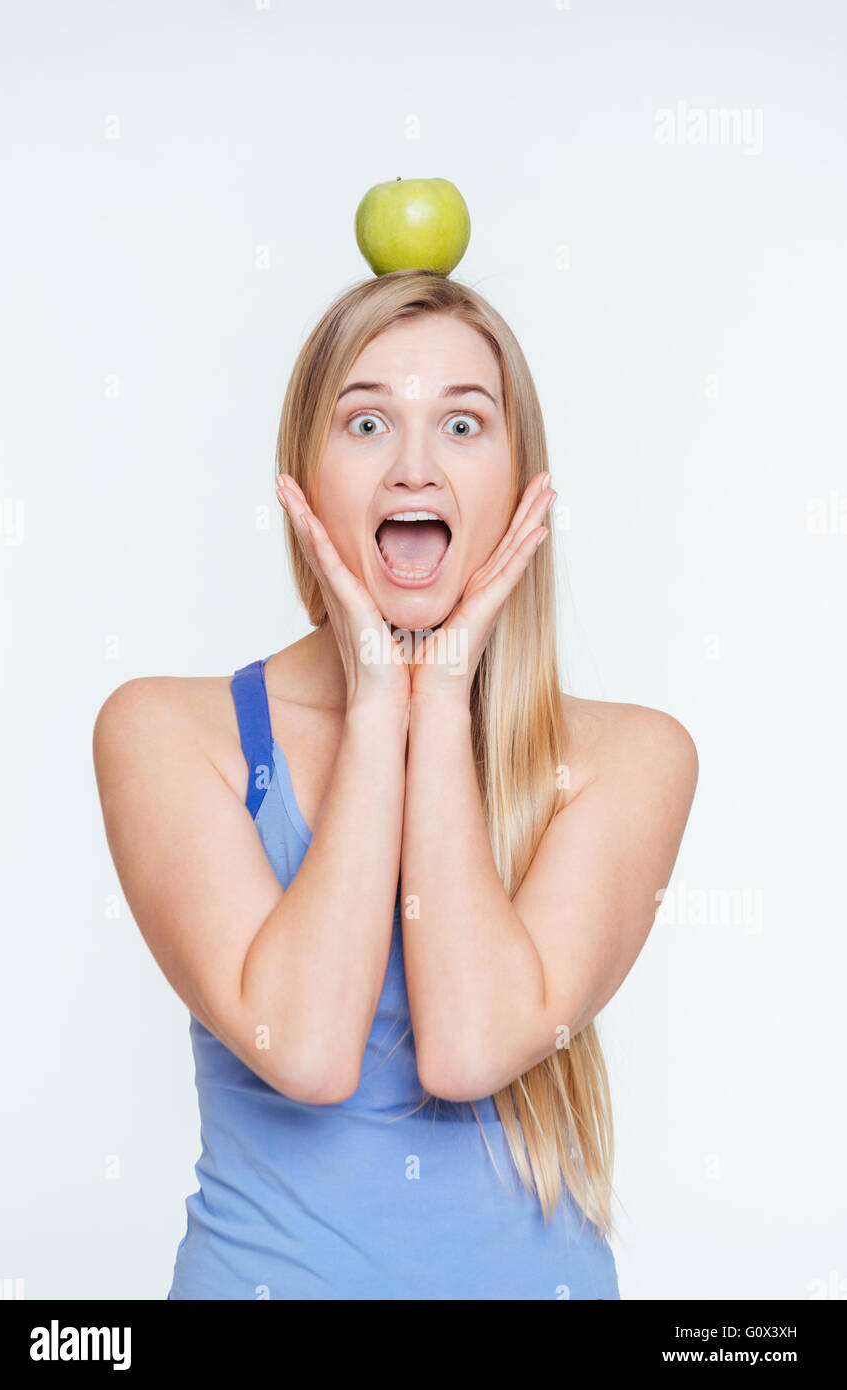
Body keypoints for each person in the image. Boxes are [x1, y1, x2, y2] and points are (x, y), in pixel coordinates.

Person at [92, 270, 698, 1299]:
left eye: (463, 426)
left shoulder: (630, 759)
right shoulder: (166, 732)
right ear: (301, 476)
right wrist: (380, 699)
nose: (414, 467)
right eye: (367, 422)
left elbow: (466, 1047)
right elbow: (311, 1049)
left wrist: (443, 687)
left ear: (521, 483)